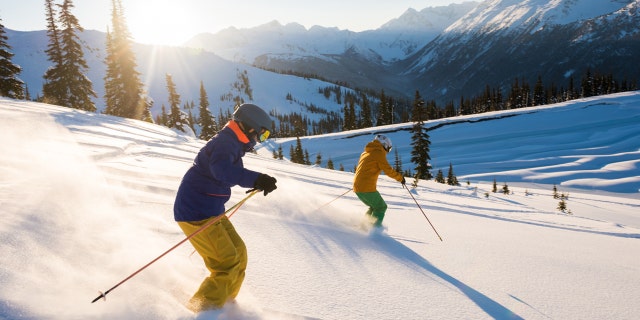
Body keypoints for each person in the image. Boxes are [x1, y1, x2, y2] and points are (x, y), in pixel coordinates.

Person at [173, 103, 277, 312]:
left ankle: (225, 303)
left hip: (209, 211)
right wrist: (257, 179)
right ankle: (202, 311)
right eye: (261, 135)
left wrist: (257, 180)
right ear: (249, 128)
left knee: (239, 252)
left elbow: (227, 171)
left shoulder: (232, 144)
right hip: (195, 213)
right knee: (226, 264)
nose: (259, 140)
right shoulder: (226, 144)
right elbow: (222, 170)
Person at [353, 134, 405, 229]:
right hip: (366, 187)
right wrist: (400, 178)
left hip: (358, 186)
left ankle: (363, 227)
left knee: (374, 207)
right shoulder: (378, 153)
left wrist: (359, 183)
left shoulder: (365, 153)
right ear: (384, 145)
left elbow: (363, 168)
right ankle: (374, 231)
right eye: (388, 148)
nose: (388, 151)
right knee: (381, 207)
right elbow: (388, 170)